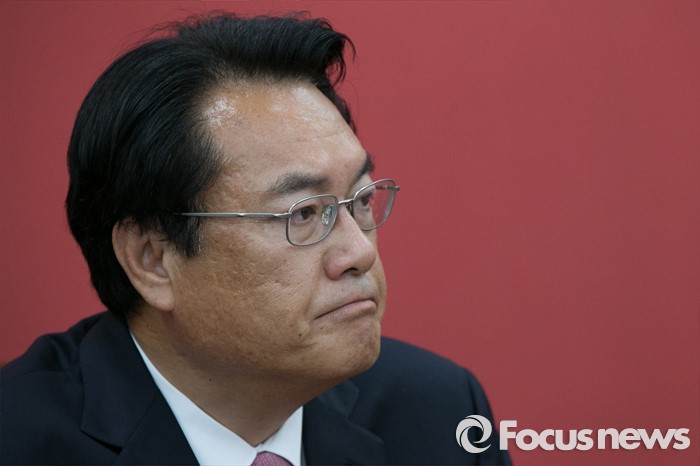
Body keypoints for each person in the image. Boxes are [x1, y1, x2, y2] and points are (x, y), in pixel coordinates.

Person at [0, 12, 510, 466]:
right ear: (152, 259)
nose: (359, 252)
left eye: (360, 200)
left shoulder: (440, 412)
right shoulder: (18, 439)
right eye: (303, 214)